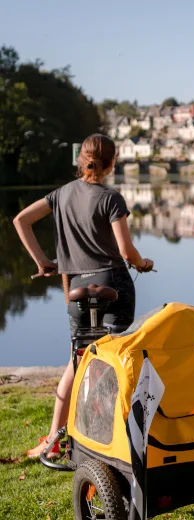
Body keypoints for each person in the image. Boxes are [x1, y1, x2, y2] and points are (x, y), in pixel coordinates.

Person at [14, 134, 154, 459]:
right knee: (116, 362)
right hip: (112, 283)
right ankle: (114, 441)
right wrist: (143, 264)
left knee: (78, 362)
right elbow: (126, 252)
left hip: (76, 288)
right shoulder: (111, 198)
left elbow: (20, 220)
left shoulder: (60, 195)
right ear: (111, 163)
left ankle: (53, 440)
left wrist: (43, 262)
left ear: (81, 160)